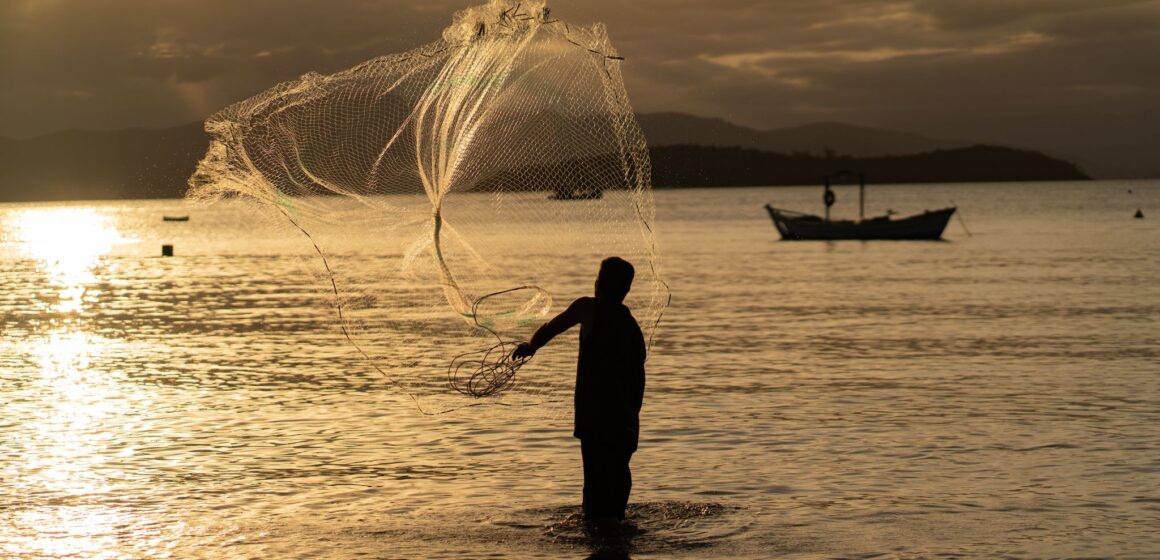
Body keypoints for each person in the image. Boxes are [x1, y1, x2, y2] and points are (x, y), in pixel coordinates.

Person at [513, 257, 646, 524]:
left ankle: (597, 533)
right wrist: (633, 417)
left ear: (599, 283)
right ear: (626, 290)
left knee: (595, 481)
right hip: (625, 418)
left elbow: (553, 327)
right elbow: (638, 371)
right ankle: (617, 528)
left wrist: (531, 345)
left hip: (596, 416)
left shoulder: (588, 308)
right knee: (618, 476)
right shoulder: (629, 321)